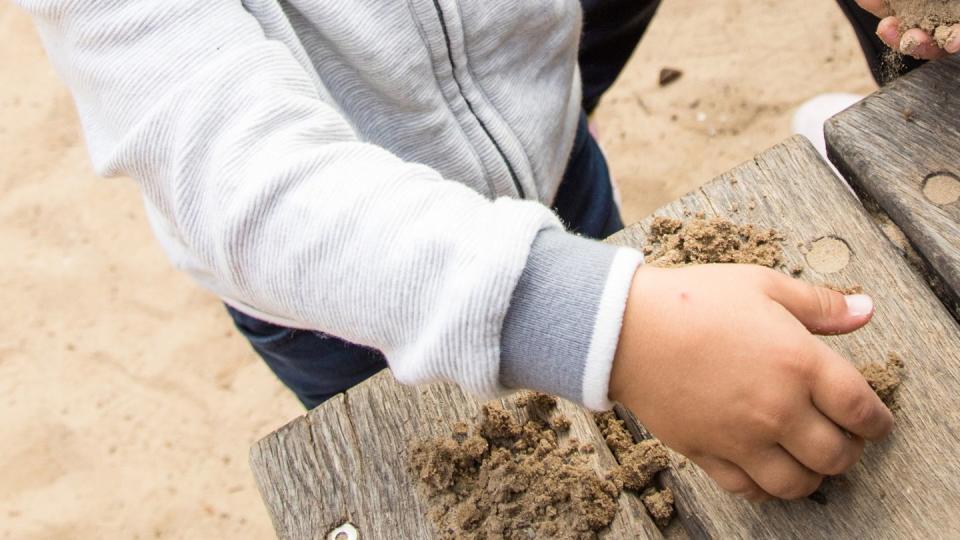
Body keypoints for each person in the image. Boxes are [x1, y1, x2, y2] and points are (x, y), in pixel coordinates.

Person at [16, 0, 953, 502]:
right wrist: (608, 323)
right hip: (344, 297)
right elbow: (241, 181)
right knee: (467, 465)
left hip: (550, 163)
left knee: (631, 391)